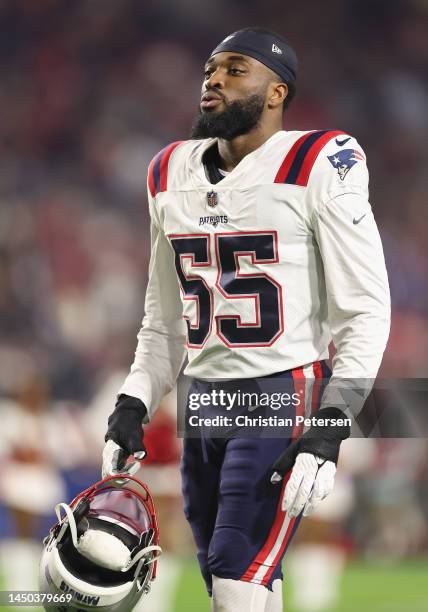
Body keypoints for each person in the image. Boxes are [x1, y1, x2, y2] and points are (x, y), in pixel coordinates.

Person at [102, 27, 390, 612]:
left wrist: (333, 423)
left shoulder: (318, 161)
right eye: (210, 68)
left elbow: (365, 307)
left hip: (282, 390)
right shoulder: (167, 172)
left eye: (235, 69)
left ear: (277, 91)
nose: (213, 79)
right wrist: (133, 402)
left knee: (236, 576)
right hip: (203, 399)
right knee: (238, 586)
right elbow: (163, 320)